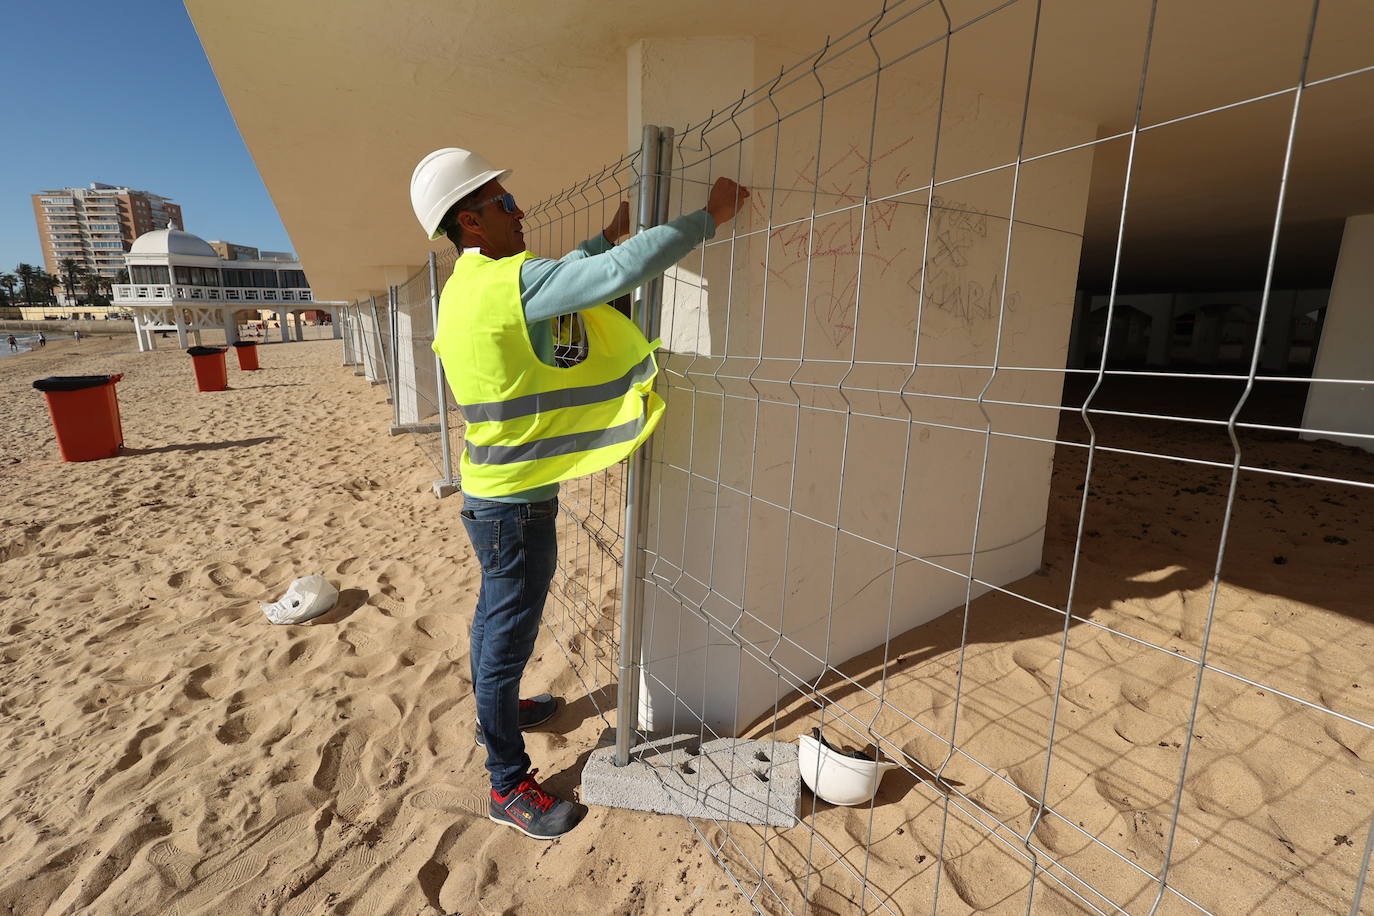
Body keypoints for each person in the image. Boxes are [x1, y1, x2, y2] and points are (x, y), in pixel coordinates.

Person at [412, 147, 748, 840]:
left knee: (495, 620)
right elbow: (611, 277)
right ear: (472, 222)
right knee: (506, 634)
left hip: (494, 494)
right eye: (506, 203)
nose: (521, 209)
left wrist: (605, 234)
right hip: (513, 503)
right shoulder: (509, 285)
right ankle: (507, 783)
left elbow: (563, 275)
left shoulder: (469, 288)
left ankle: (497, 708)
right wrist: (710, 217)